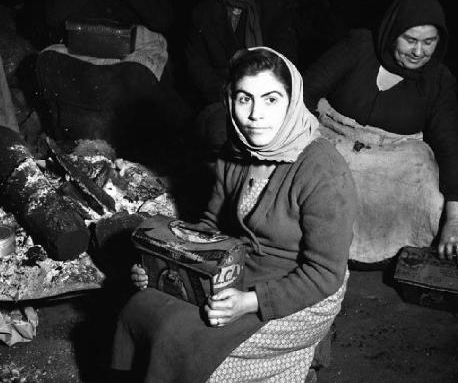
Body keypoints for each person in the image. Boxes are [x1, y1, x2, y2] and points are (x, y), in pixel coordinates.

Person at [111, 47, 357, 382]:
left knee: (177, 332)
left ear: (292, 100)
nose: (256, 114)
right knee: (141, 305)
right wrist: (161, 266)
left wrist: (250, 302)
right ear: (230, 101)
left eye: (271, 99)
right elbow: (211, 228)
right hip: (239, 266)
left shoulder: (323, 171)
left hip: (301, 287)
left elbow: (325, 272)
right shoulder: (236, 151)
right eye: (245, 99)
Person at [303, 0, 458, 264]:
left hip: (390, 162)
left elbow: (452, 147)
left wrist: (455, 222)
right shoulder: (358, 48)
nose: (419, 52)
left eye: (429, 42)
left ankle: (383, 251)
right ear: (393, 32)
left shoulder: (437, 80)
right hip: (332, 145)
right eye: (410, 40)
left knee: (426, 179)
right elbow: (304, 91)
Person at [186, 0, 298, 155]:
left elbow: (287, 63)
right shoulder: (203, 13)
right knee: (220, 134)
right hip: (219, 100)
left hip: (265, 102)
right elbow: (197, 67)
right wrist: (229, 98)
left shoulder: (274, 12)